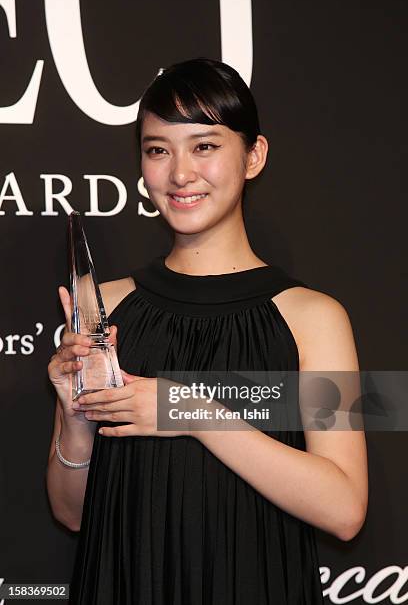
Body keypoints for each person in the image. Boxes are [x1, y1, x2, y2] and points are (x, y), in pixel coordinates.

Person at [46, 57, 368, 604]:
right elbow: (72, 513)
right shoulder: (101, 304)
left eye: (205, 145)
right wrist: (76, 421)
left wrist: (189, 412)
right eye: (157, 150)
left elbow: (344, 511)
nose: (179, 174)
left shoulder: (315, 316)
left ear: (254, 156)